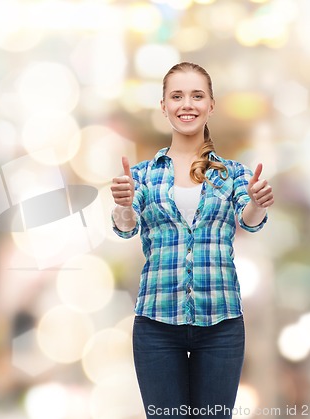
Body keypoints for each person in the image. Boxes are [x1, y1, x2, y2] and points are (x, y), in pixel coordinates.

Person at [110, 62, 274, 418]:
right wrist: (123, 204)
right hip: (156, 325)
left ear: (211, 105)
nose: (187, 104)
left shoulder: (233, 174)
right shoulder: (142, 175)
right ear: (164, 105)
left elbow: (250, 220)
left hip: (221, 324)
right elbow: (126, 227)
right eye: (177, 96)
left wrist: (258, 203)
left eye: (197, 96)